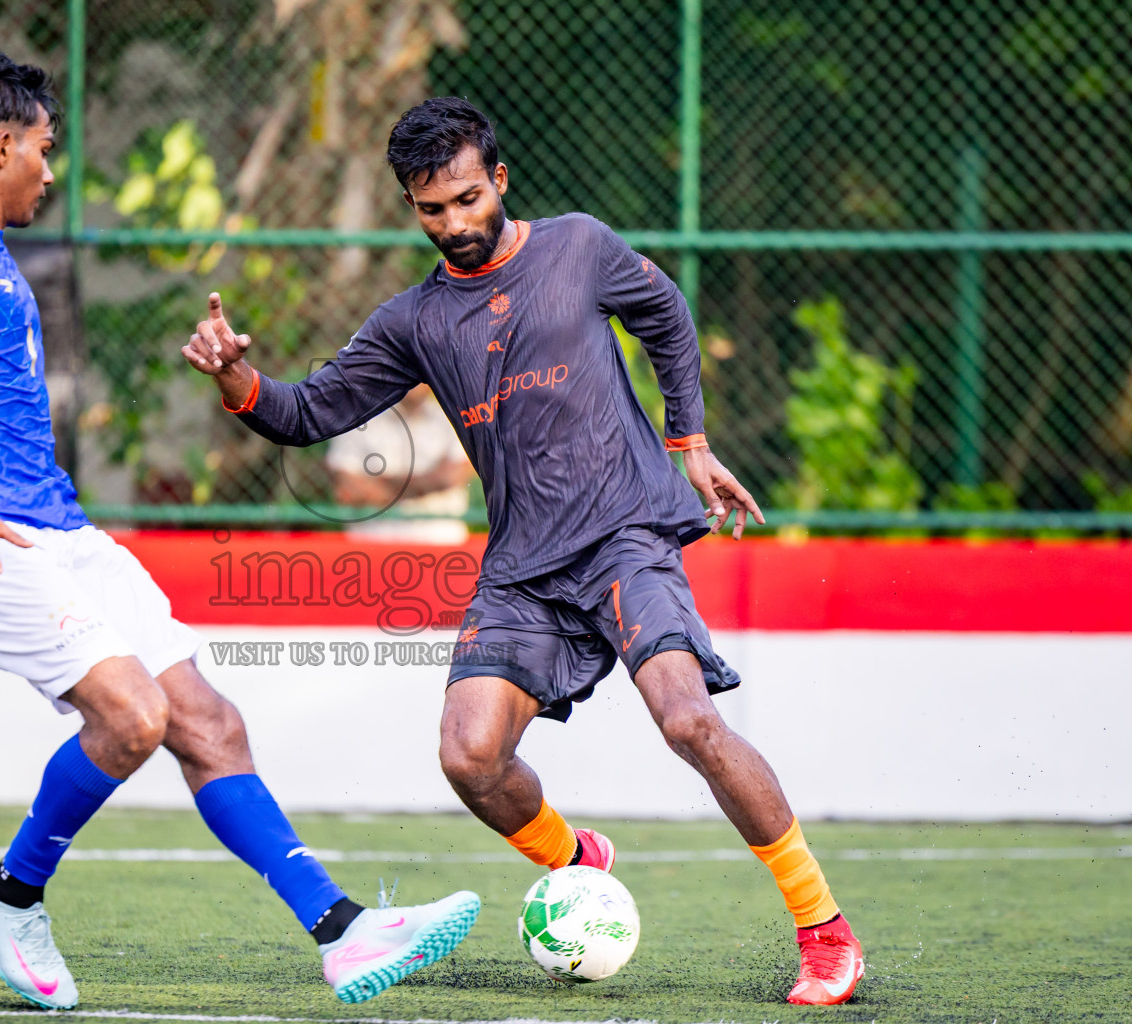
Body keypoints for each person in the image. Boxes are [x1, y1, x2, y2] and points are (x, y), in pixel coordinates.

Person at [183, 96, 864, 1007]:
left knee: (689, 723)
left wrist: (688, 443)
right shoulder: (415, 322)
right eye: (433, 209)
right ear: (412, 207)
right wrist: (236, 376)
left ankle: (824, 932)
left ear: (499, 179)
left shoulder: (578, 247)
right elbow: (305, 413)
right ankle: (577, 861)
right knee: (468, 757)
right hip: (521, 572)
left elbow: (664, 314)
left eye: (468, 198)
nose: (456, 224)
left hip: (624, 537)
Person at [0, 52, 479, 1011]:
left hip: (61, 532)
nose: (50, 171)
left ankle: (343, 930)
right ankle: (9, 896)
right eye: (42, 150)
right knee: (133, 718)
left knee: (209, 722)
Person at [327, 382, 474, 544]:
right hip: (371, 546)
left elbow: (449, 478)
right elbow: (349, 490)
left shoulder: (454, 418)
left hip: (441, 546)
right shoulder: (357, 419)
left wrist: (379, 485)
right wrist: (428, 483)